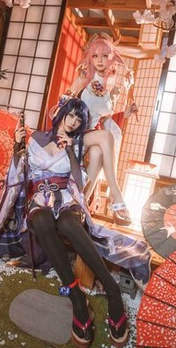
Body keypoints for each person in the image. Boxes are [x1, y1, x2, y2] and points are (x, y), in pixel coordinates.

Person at [0, 98, 151, 348]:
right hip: (40, 199)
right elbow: (19, 174)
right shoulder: (35, 138)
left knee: (67, 224)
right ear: (62, 113)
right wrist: (17, 145)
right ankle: (77, 298)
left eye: (79, 119)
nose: (74, 122)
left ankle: (112, 291)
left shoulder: (76, 143)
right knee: (41, 220)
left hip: (67, 199)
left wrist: (70, 151)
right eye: (72, 115)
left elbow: (79, 177)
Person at [65, 33, 138, 226]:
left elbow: (103, 118)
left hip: (93, 136)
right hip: (75, 132)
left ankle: (81, 204)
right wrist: (73, 88)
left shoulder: (110, 86)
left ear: (111, 58)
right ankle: (117, 196)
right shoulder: (84, 76)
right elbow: (64, 105)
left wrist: (126, 113)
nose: (99, 60)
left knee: (98, 151)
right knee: (104, 137)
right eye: (95, 55)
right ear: (90, 57)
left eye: (105, 55)